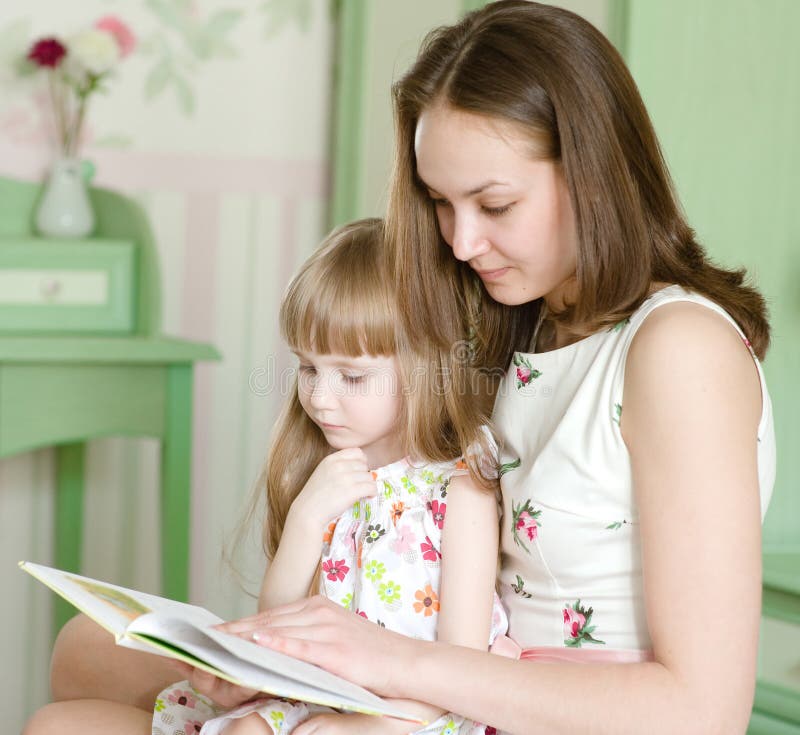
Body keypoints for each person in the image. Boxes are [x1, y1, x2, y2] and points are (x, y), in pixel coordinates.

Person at [28, 2, 776, 733]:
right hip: (450, 668)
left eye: (494, 204)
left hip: (533, 705)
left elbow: (702, 715)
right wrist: (285, 648)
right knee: (87, 651)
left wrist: (391, 664)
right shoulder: (526, 319)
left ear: (594, 174)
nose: (460, 242)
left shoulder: (680, 347)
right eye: (440, 202)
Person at [25, 219, 506, 735]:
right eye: (308, 369)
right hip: (312, 701)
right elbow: (278, 617)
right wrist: (306, 519)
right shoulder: (330, 470)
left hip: (408, 719)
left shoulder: (457, 489)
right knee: (55, 724)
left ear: (428, 366)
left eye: (350, 376)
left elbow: (463, 666)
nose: (319, 397)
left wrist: (375, 728)